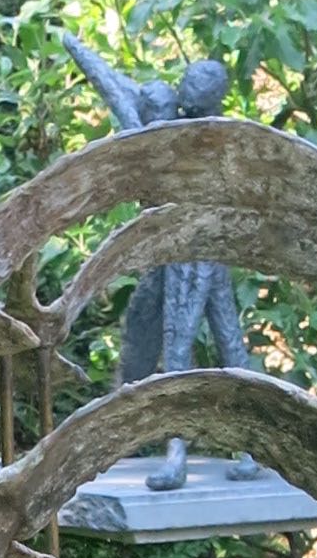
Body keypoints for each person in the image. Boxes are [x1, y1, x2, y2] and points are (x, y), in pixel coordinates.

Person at [63, 30, 245, 380]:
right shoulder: (155, 130)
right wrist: (75, 46)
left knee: (194, 336)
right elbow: (111, 83)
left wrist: (75, 46)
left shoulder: (212, 138)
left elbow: (112, 86)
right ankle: (137, 393)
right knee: (162, 326)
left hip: (195, 249)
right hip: (176, 248)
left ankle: (182, 406)